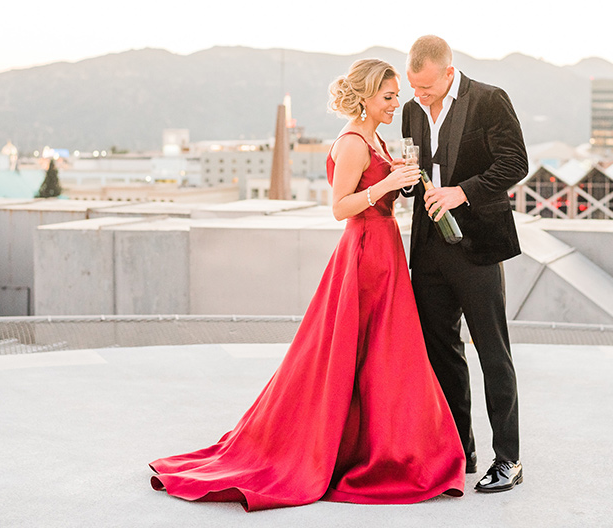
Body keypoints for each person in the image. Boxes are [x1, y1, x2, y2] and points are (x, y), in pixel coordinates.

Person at [149, 58, 466, 511]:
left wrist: (400, 179)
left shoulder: (375, 136)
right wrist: (387, 184)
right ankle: (372, 455)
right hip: (364, 254)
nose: (397, 104)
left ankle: (395, 452)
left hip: (384, 251)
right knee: (359, 355)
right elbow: (339, 208)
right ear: (366, 98)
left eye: (397, 96)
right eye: (389, 97)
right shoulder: (355, 140)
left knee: (385, 357)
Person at [400, 35, 528, 493]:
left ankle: (508, 460)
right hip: (429, 249)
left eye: (427, 88)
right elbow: (417, 172)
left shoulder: (490, 100)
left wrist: (462, 192)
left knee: (492, 352)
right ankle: (460, 451)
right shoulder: (413, 111)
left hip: (478, 246)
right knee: (442, 353)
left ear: (448, 72)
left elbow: (516, 163)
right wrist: (407, 183)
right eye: (414, 88)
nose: (419, 97)